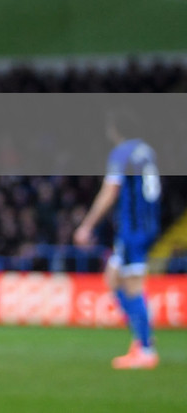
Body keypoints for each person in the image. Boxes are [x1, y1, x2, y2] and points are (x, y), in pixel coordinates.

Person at [73, 108, 161, 369]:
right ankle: (142, 337)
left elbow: (110, 192)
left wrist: (87, 225)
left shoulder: (121, 153)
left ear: (115, 130)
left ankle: (145, 348)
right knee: (113, 277)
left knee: (133, 284)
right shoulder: (146, 151)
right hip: (147, 224)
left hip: (133, 228)